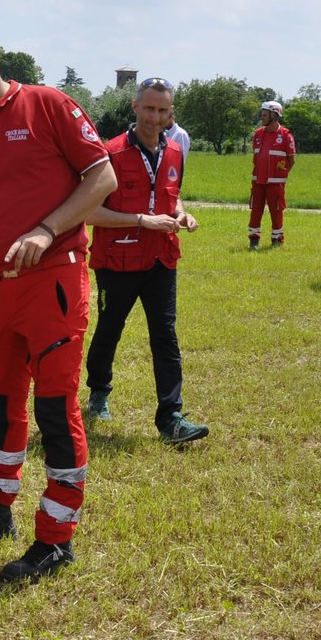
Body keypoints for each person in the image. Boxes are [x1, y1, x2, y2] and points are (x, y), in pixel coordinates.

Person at [0, 9, 117, 584]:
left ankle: (56, 538)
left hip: (56, 277)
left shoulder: (48, 104)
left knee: (54, 408)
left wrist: (46, 228)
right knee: (1, 401)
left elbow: (103, 177)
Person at [83, 77, 208, 445]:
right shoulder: (111, 153)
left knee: (165, 336)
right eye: (149, 108)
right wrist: (141, 220)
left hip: (161, 259)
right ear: (135, 107)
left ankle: (170, 418)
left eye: (162, 110)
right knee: (110, 328)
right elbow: (89, 212)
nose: (155, 117)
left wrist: (181, 214)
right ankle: (99, 391)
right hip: (117, 260)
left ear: (171, 114)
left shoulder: (174, 152)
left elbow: (173, 196)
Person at [248, 100, 295, 249]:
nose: (262, 117)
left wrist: (280, 175)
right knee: (256, 210)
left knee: (276, 211)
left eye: (265, 114)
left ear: (274, 115)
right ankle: (253, 240)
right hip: (258, 181)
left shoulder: (286, 135)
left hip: (276, 182)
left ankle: (276, 239)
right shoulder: (258, 134)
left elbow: (291, 160)